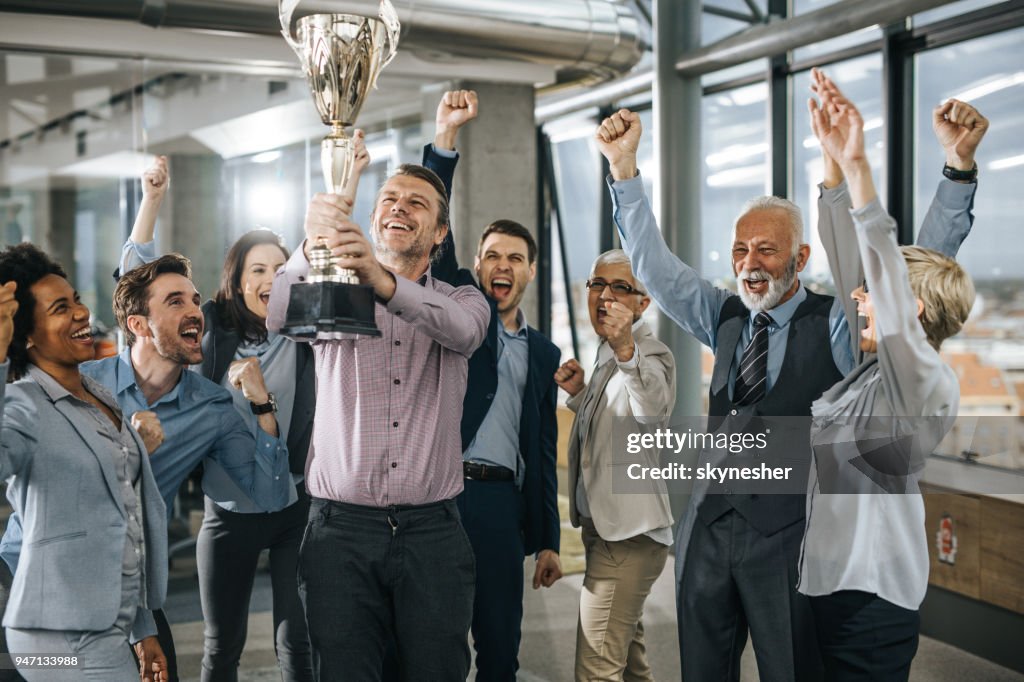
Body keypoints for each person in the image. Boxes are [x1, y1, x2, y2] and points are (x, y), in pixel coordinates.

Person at [119, 147, 376, 681]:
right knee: (221, 648)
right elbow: (139, 281)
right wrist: (152, 199)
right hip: (227, 513)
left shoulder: (302, 326)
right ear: (238, 281)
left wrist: (346, 180)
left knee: (298, 644)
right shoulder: (208, 327)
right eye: (258, 269)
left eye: (281, 270)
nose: (270, 278)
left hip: (295, 507)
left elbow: (327, 257)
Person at [266, 159, 490, 680]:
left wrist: (382, 281)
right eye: (389, 199)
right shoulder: (337, 294)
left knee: (439, 671)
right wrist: (310, 243)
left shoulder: (462, 298)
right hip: (338, 532)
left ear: (439, 232)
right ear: (372, 220)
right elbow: (278, 315)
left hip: (433, 533)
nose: (399, 207)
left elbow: (460, 331)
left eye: (416, 203)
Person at [799, 69, 980, 681]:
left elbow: (875, 259)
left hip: (872, 602)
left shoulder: (922, 386)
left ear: (912, 309)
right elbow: (851, 254)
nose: (858, 297)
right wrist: (830, 165)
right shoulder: (864, 378)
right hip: (825, 589)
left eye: (875, 294)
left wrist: (858, 168)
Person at [417, 90, 562, 681]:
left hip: (502, 508)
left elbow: (544, 451)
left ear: (529, 270)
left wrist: (548, 538)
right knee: (434, 642)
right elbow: (434, 232)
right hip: (442, 496)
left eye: (515, 258)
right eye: (491, 256)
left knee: (500, 650)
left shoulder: (545, 352)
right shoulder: (460, 311)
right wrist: (445, 138)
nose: (502, 266)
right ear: (475, 266)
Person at [0, 244, 167, 681]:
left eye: (75, 299)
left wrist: (141, 627)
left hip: (108, 620)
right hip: (56, 633)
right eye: (61, 308)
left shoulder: (98, 396)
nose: (80, 312)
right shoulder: (22, 403)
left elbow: (122, 520)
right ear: (27, 336)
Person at [554, 249, 675, 681]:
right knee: (628, 664)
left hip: (627, 537)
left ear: (642, 303)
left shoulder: (649, 352)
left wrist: (626, 346)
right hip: (606, 528)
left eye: (621, 287)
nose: (605, 295)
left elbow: (651, 409)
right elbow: (615, 426)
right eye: (597, 284)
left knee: (597, 669)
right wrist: (580, 393)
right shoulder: (608, 352)